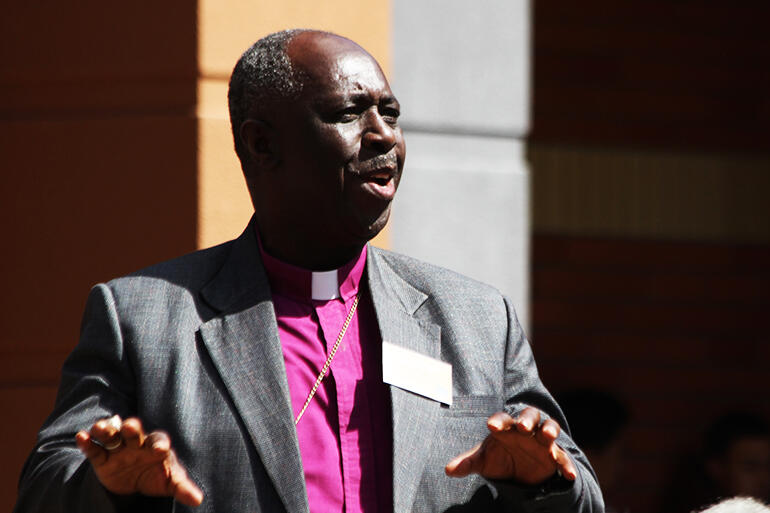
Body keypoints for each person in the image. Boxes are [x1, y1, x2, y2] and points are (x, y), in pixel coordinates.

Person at [14, 29, 603, 512]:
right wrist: (107, 486)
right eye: (350, 113)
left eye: (390, 113)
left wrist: (544, 479)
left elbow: (582, 492)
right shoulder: (143, 317)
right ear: (262, 145)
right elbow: (45, 485)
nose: (383, 137)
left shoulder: (475, 318)